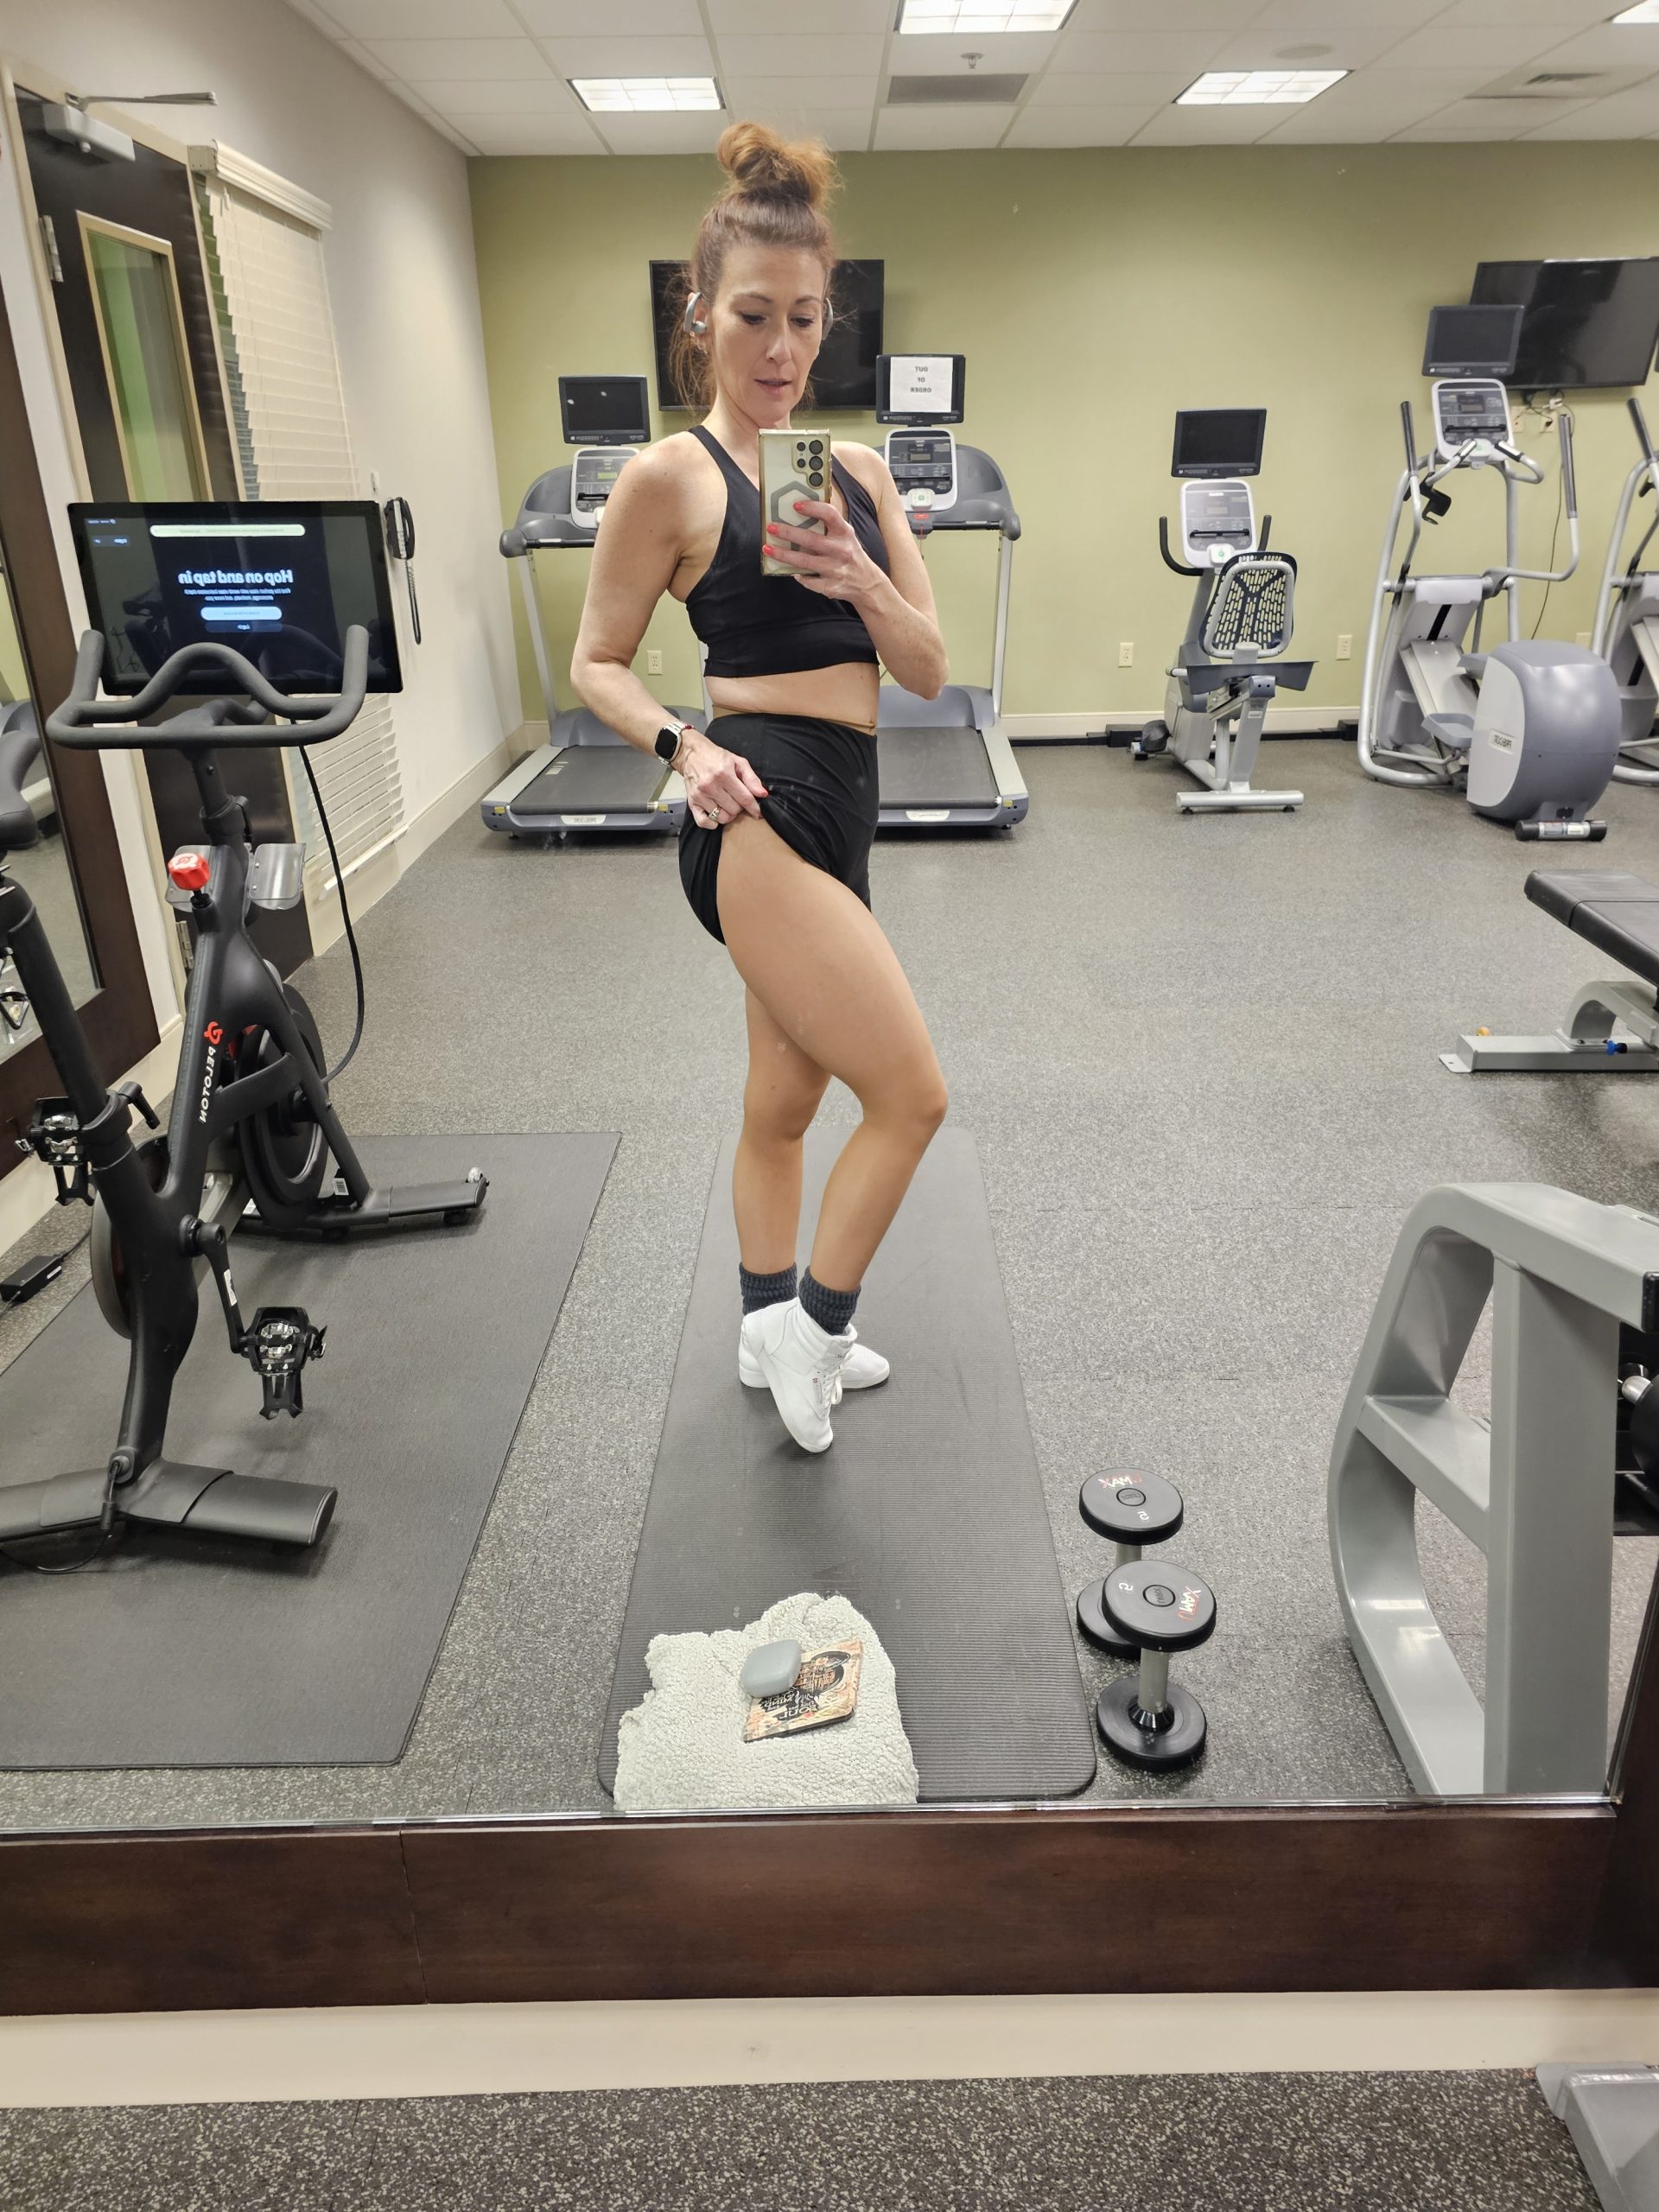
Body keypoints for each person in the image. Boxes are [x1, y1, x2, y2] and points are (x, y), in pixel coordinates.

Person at [572, 121, 950, 1457]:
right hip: (756, 804)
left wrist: (859, 574)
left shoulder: (858, 477)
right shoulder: (666, 477)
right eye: (753, 317)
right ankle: (816, 1330)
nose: (781, 349)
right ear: (701, 314)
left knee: (783, 1105)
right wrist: (685, 749)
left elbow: (926, 668)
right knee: (911, 1097)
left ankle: (759, 1323)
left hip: (848, 798)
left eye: (803, 318)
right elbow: (595, 662)